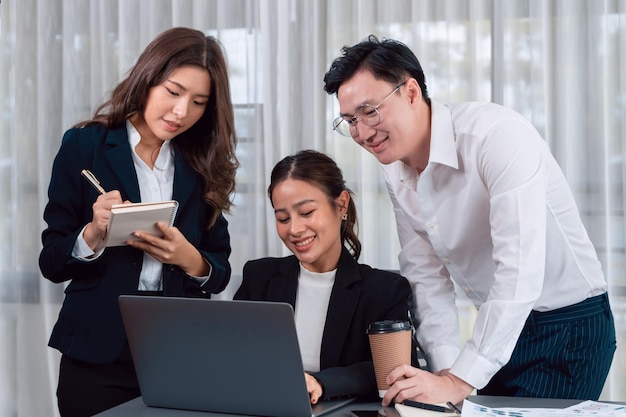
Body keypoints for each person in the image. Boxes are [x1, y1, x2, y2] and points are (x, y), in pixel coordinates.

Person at [323, 35, 616, 406]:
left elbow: (519, 269)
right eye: (350, 120)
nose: (362, 133)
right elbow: (426, 275)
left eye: (370, 111)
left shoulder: (497, 137)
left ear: (411, 92)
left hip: (569, 326)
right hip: (499, 325)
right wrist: (446, 376)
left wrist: (461, 379)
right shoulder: (396, 170)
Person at [39, 27, 239, 417]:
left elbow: (219, 272)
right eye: (174, 92)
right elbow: (51, 262)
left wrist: (189, 258)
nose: (182, 112)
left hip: (178, 351)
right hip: (97, 352)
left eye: (199, 102)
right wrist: (93, 234)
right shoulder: (84, 146)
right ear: (147, 79)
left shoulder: (201, 165)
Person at [234, 149, 415, 403]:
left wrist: (322, 383)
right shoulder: (259, 277)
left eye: (306, 213)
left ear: (341, 204)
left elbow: (396, 370)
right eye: (283, 218)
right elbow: (232, 354)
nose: (294, 229)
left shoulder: (384, 290)